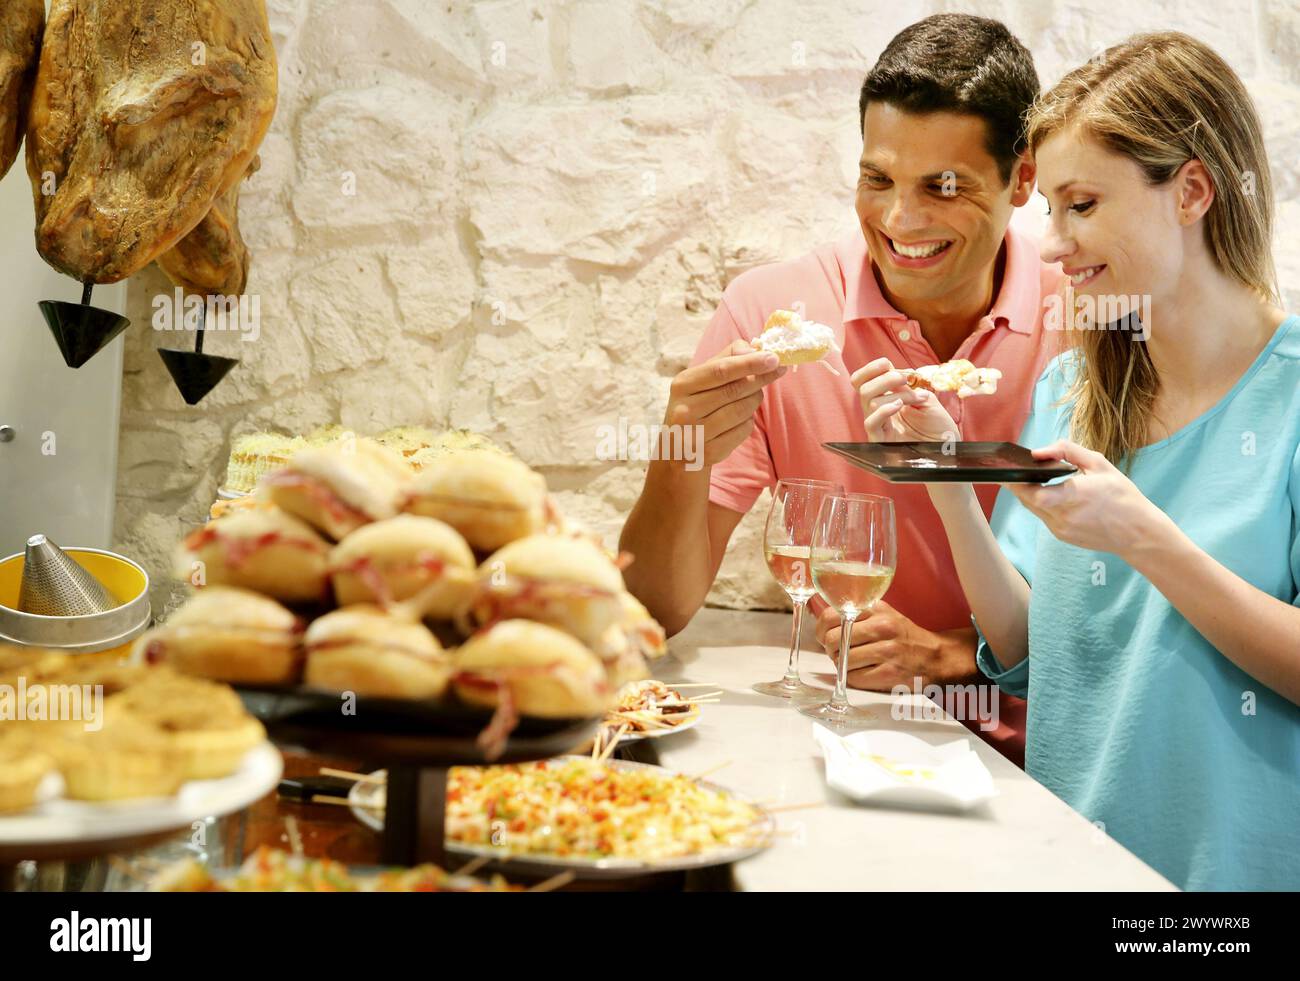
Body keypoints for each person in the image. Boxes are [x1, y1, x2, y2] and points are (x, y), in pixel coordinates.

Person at [857, 31, 1300, 890]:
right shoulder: (1073, 389)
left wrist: (1148, 540)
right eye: (1049, 212)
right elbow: (1023, 644)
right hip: (1065, 865)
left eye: (1083, 204)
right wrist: (947, 473)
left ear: (1193, 191)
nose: (1054, 246)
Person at [621, 14, 1063, 764]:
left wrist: (955, 654)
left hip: (1044, 750)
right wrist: (679, 450)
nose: (900, 220)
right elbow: (654, 612)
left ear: (1021, 180)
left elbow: (1132, 604)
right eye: (877, 178)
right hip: (845, 736)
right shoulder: (773, 314)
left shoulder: (1083, 322)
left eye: (942, 187)